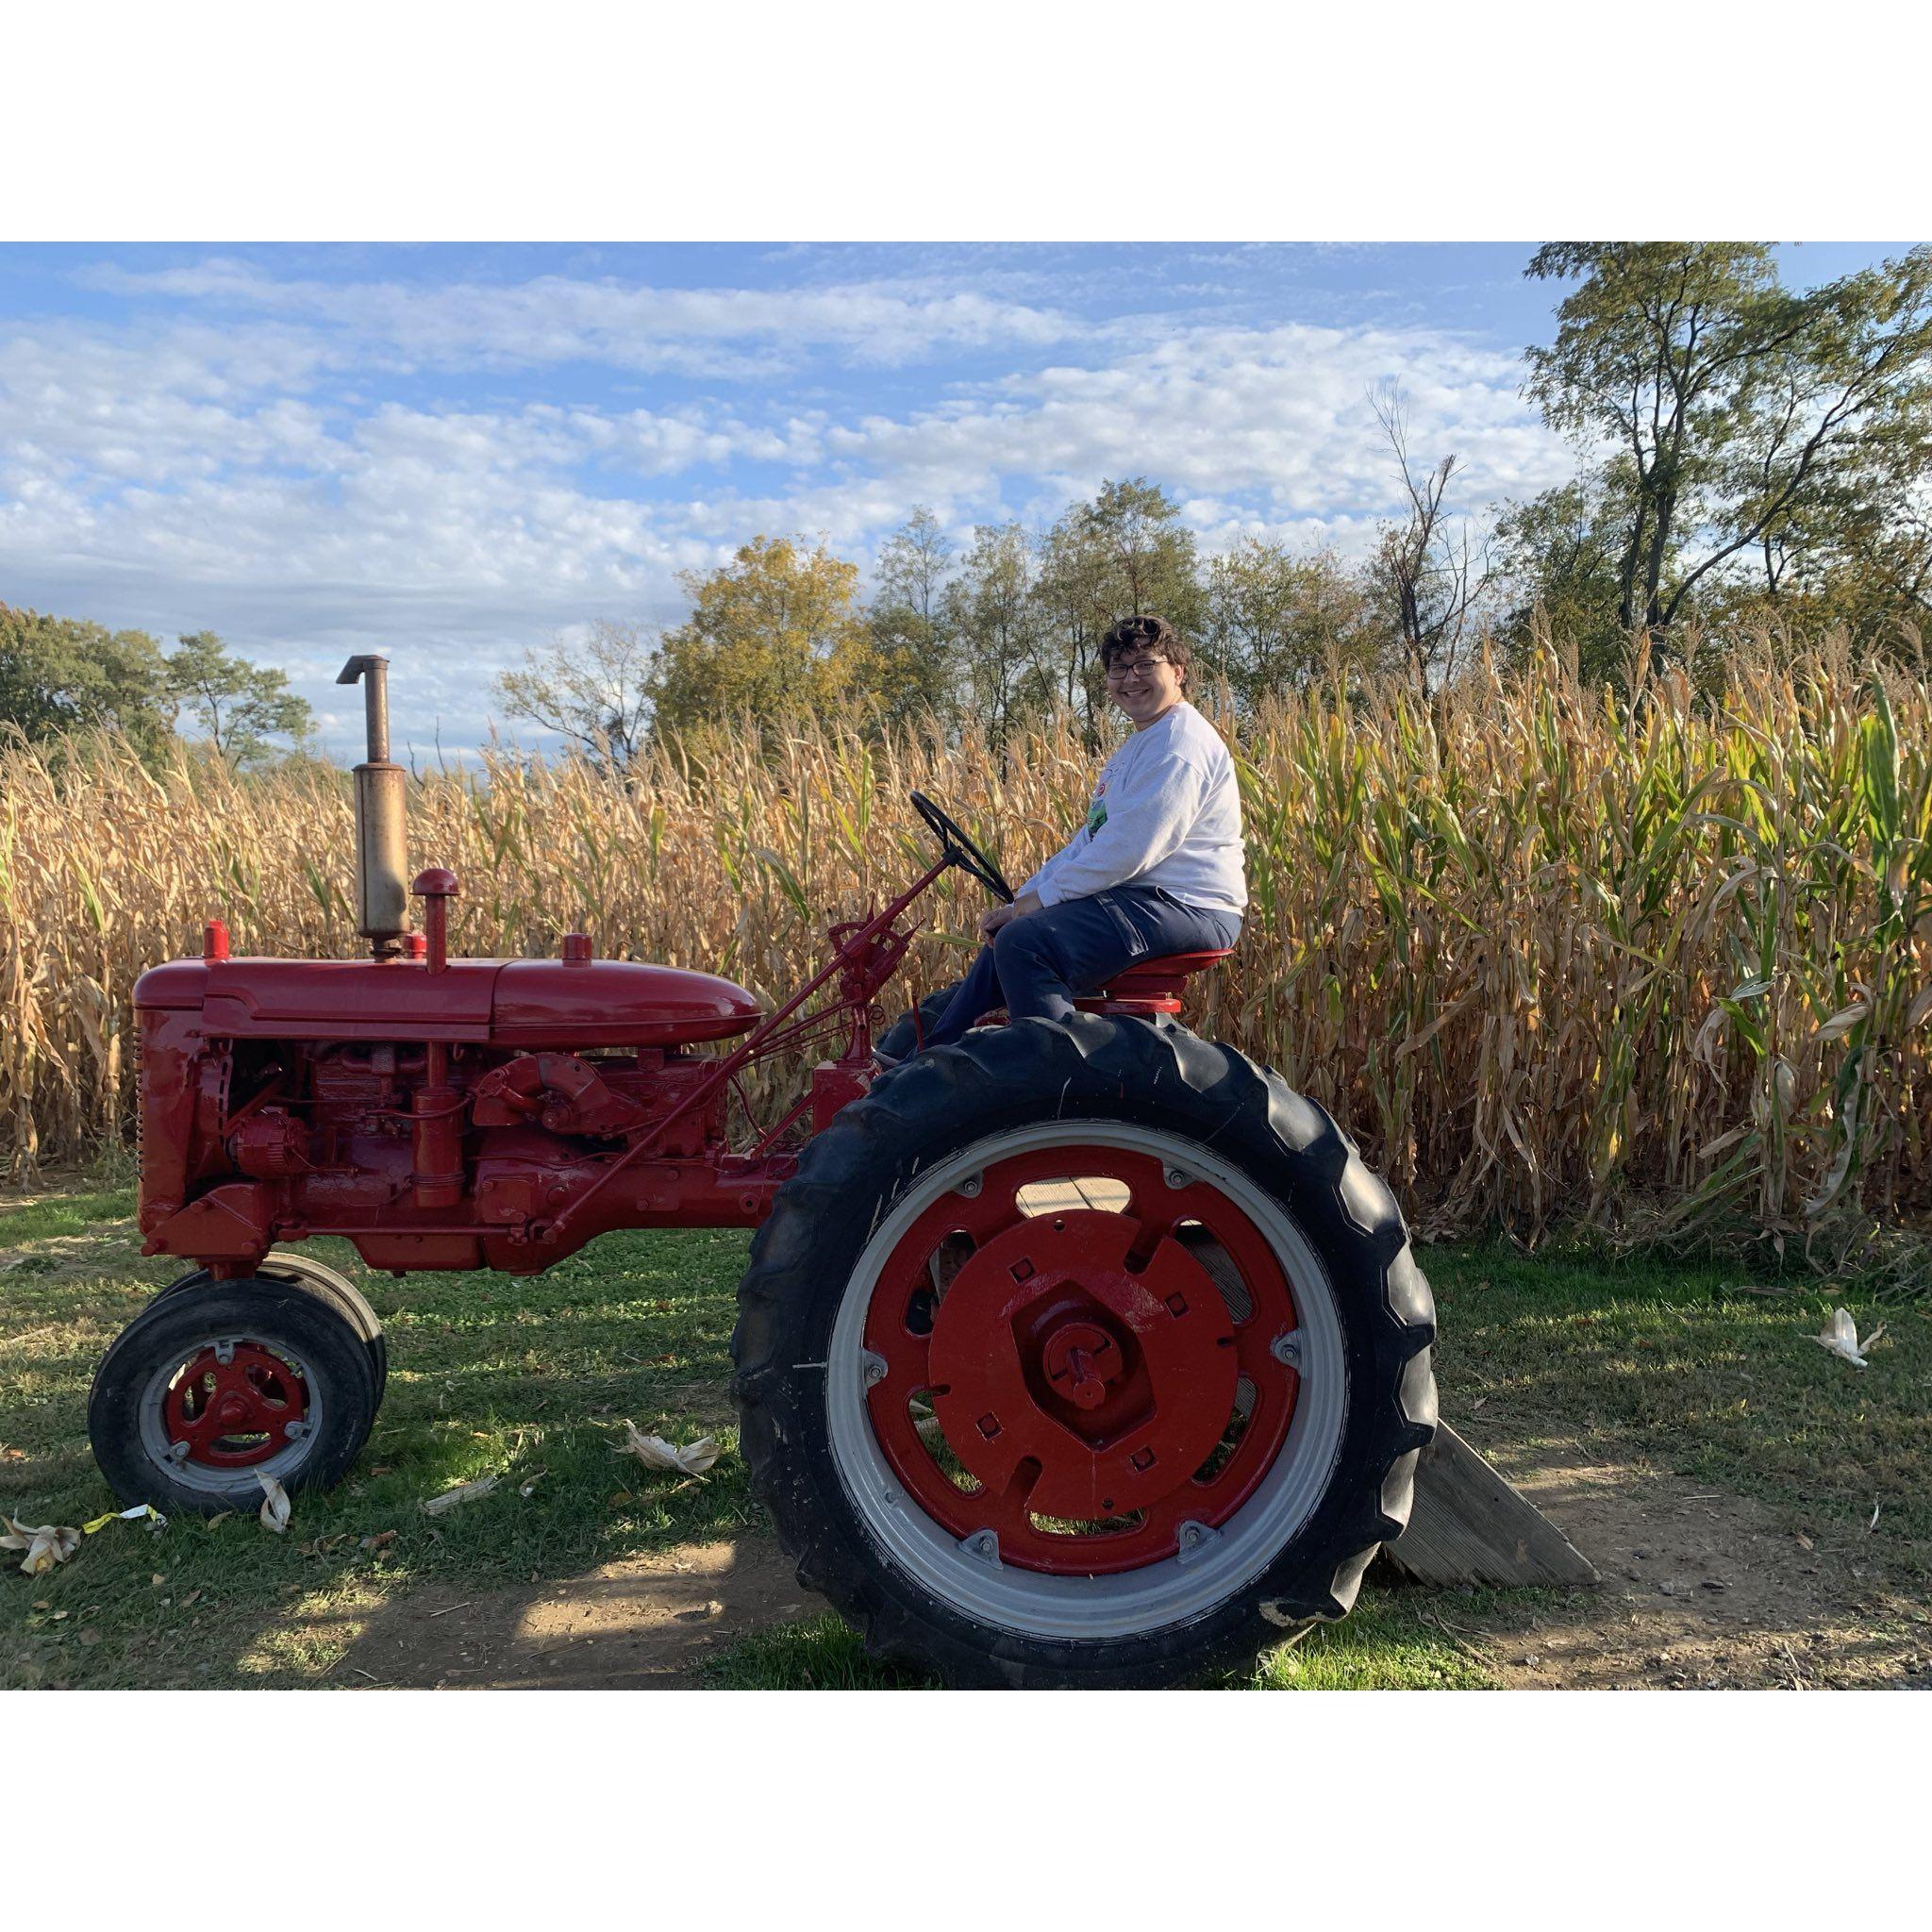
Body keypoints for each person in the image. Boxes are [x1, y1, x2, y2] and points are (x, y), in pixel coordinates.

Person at [886, 613, 1245, 1061]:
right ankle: (931, 1059)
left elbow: (1129, 851)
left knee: (1027, 943)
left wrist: (1035, 905)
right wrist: (1026, 899)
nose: (1130, 679)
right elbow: (1090, 842)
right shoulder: (1140, 744)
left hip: (1188, 906)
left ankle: (1057, 1082)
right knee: (1014, 933)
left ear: (1177, 671)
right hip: (1147, 897)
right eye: (1118, 669)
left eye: (1144, 665)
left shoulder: (1179, 744)